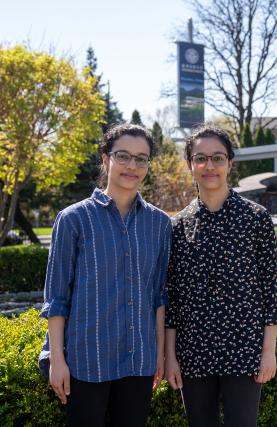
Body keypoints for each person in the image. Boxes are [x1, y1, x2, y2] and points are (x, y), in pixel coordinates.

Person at [39, 124, 171, 426]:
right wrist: (57, 360)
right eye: (123, 156)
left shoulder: (160, 224)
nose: (132, 166)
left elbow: (158, 295)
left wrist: (159, 354)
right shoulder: (73, 219)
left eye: (142, 159)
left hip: (139, 360)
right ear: (105, 158)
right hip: (86, 361)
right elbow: (57, 298)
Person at [163, 125, 277, 427]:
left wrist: (268, 351)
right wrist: (170, 356)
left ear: (230, 163)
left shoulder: (256, 218)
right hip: (193, 351)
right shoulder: (178, 226)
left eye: (218, 157)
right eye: (200, 158)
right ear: (190, 165)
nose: (209, 166)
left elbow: (271, 290)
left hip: (244, 347)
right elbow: (173, 298)